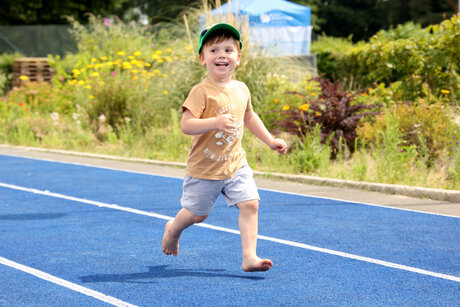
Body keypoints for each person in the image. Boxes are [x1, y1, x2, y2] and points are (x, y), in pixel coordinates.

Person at [162, 23, 287, 272]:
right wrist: (215, 123)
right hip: (204, 169)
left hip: (235, 164)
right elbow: (186, 125)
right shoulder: (201, 92)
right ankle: (173, 229)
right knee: (197, 215)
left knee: (251, 203)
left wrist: (270, 140)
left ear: (238, 58)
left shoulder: (242, 89)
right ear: (202, 59)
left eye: (228, 50)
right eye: (214, 50)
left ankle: (249, 257)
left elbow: (250, 117)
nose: (221, 55)